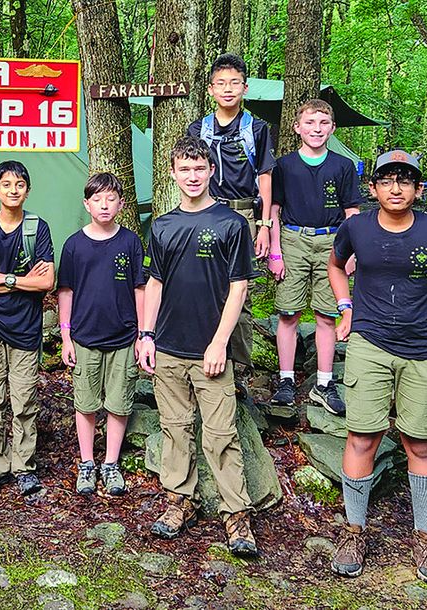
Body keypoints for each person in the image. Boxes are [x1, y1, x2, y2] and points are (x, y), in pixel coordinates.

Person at [327, 150, 427, 586]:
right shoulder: (356, 227)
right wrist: (345, 305)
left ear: (418, 189)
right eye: (387, 180)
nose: (396, 188)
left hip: (422, 347)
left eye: (405, 180)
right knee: (362, 435)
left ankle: (424, 536)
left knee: (421, 442)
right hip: (369, 342)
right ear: (372, 188)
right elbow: (336, 265)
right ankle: (353, 531)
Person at [137, 136, 259, 555]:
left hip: (211, 349)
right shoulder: (163, 225)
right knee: (175, 430)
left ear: (210, 171)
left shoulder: (230, 224)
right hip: (168, 347)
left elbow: (239, 286)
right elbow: (154, 283)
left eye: (199, 168)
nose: (192, 176)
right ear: (173, 174)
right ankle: (178, 502)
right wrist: (146, 335)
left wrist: (220, 343)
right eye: (184, 169)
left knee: (221, 434)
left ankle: (237, 516)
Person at [0, 160, 55, 498]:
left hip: (27, 329)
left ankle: (24, 467)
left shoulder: (37, 228)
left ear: (27, 190)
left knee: (25, 399)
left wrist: (3, 278)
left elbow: (46, 282)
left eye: (19, 184)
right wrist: (25, 282)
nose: (13, 190)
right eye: (6, 184)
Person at [188, 53, 277, 394]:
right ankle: (202, 356)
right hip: (206, 211)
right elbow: (191, 171)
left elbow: (265, 176)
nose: (228, 89)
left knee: (241, 292)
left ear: (245, 87)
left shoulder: (256, 128)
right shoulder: (198, 129)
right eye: (221, 83)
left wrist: (265, 225)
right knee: (203, 285)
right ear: (211, 89)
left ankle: (237, 369)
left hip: (243, 215)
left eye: (234, 83)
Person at [268, 99, 361, 415]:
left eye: (323, 123)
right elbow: (273, 210)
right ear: (297, 127)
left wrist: (350, 253)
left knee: (326, 314)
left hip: (332, 240)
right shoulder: (283, 166)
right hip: (292, 239)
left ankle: (324, 382)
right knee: (288, 313)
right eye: (310, 123)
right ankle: (286, 380)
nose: (316, 129)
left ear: (332, 128)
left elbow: (352, 212)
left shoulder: (343, 166)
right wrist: (275, 252)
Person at [57, 173, 145, 496]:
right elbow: (64, 292)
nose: (104, 205)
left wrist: (142, 334)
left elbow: (140, 289)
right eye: (98, 199)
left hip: (123, 337)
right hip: (84, 337)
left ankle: (110, 464)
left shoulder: (131, 242)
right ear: (87, 204)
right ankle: (87, 463)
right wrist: (66, 336)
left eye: (110, 199)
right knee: (86, 403)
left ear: (121, 204)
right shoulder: (74, 245)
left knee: (119, 403)